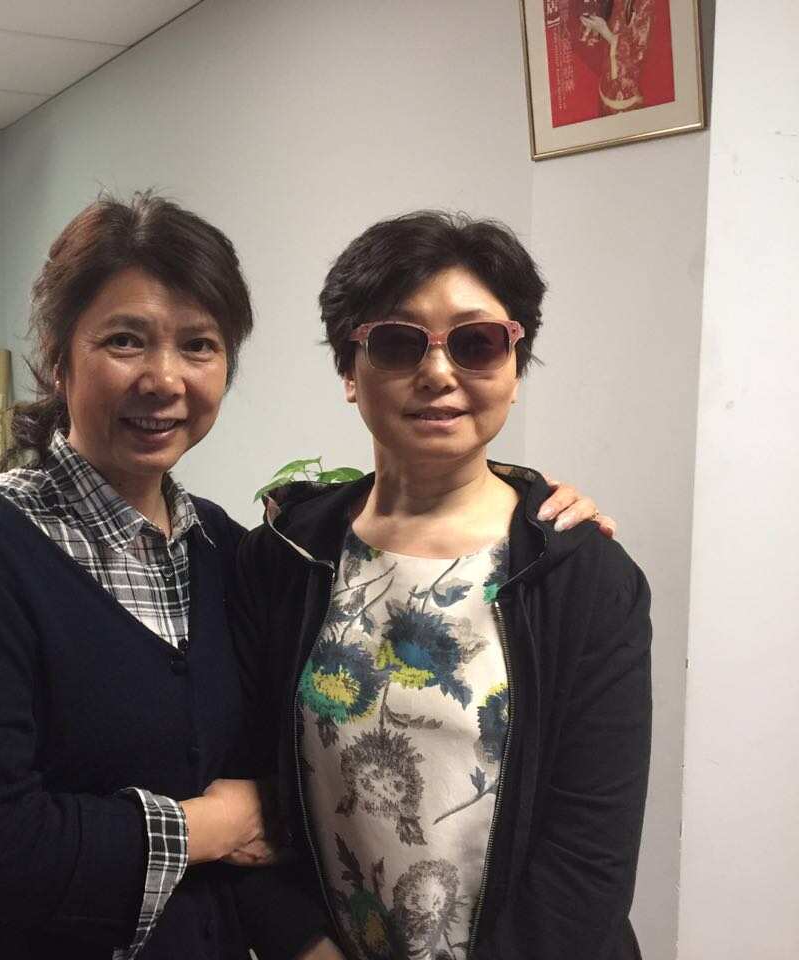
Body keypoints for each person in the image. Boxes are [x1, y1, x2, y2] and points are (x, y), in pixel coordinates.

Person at [0, 194, 608, 959]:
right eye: (126, 340)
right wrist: (214, 827)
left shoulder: (226, 549)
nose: (164, 378)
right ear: (59, 354)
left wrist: (527, 502)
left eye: (198, 345)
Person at [232, 212, 651, 960]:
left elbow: (590, 853)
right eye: (398, 343)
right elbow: (250, 783)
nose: (438, 372)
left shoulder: (581, 574)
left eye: (475, 342)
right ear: (348, 371)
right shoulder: (285, 556)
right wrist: (301, 944)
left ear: (515, 367)